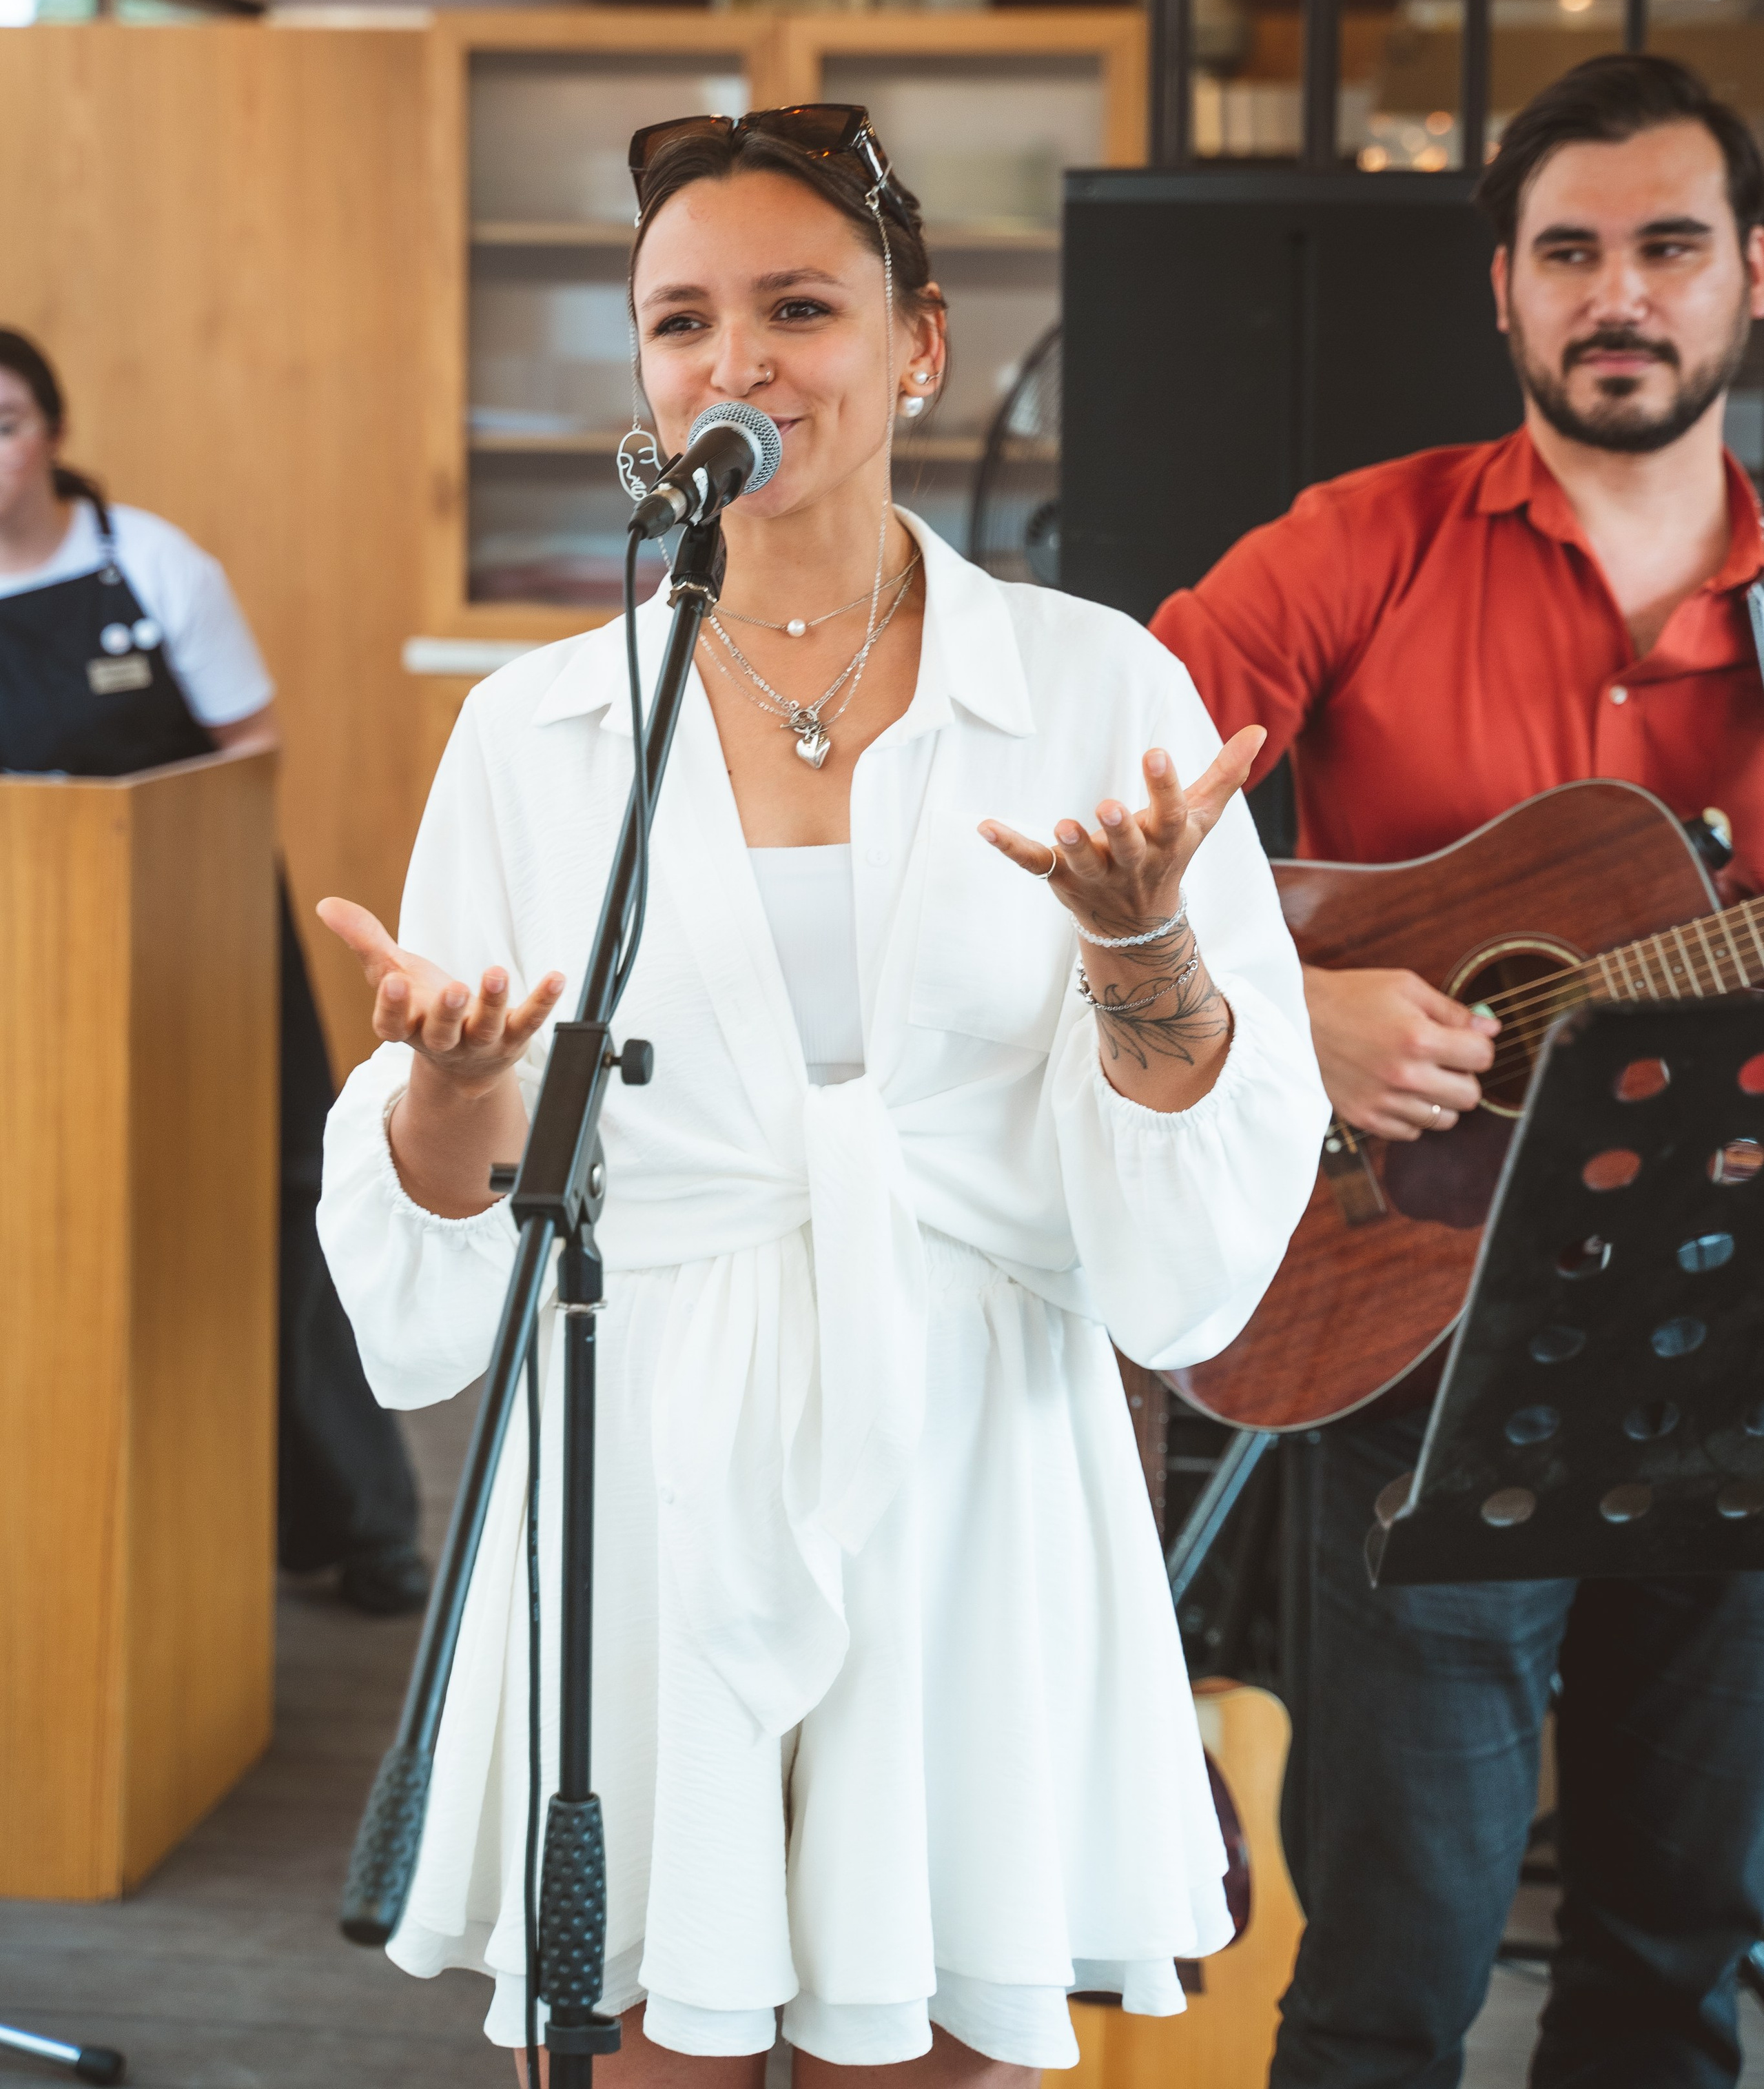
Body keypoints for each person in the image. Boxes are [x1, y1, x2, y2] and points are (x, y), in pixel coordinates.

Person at [314, 103, 1329, 2081]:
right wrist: (447, 1090)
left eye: (799, 307)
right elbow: (450, 1234)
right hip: (643, 1438)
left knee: (932, 2021)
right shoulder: (536, 727)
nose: (738, 362)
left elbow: (1208, 1189)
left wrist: (1144, 948)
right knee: (648, 2029)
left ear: (917, 343)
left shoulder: (1097, 683)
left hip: (974, 1440)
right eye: (681, 319)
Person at [1150, 52, 1764, 2089]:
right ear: (1502, 287)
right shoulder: (1361, 544)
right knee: (1386, 1970)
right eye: (1568, 251)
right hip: (1415, 1325)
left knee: (1675, 1960)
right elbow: (1094, 809)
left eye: (1668, 245)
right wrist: (1284, 1005)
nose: (1620, 293)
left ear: (1751, 274)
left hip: (1735, 1333)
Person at [0, 327, 428, 1618]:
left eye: (4, 424)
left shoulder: (153, 564)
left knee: (276, 1209)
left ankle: (358, 1520)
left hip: (202, 956)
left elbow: (252, 755)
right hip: (34, 978)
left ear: (53, 432)